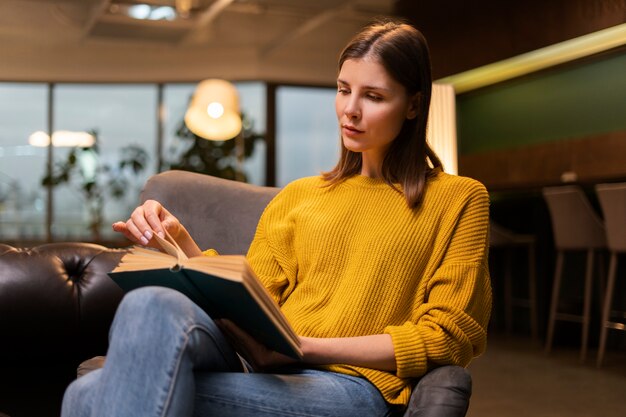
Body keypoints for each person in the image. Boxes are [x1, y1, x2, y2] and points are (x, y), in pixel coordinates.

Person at [62, 19, 491, 417]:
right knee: (149, 301)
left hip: (351, 387)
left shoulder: (458, 199)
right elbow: (253, 300)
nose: (350, 110)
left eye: (373, 97)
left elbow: (449, 337)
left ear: (414, 105)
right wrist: (181, 245)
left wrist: (303, 348)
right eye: (343, 90)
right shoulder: (300, 195)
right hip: (262, 365)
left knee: (87, 397)